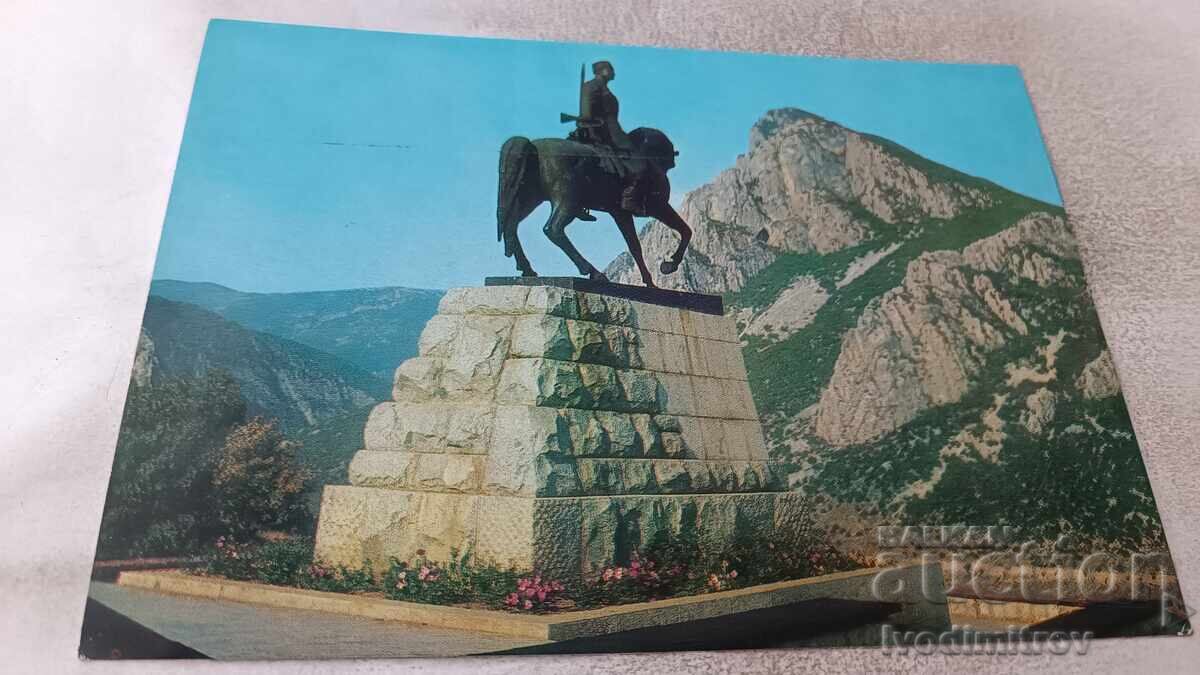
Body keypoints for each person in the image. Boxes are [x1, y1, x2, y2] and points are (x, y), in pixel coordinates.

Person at [574, 61, 650, 214]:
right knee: (640, 164)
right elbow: (587, 114)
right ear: (603, 71)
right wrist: (594, 130)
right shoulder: (591, 87)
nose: (614, 72)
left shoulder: (601, 88)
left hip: (613, 132)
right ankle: (629, 199)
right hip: (608, 134)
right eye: (611, 69)